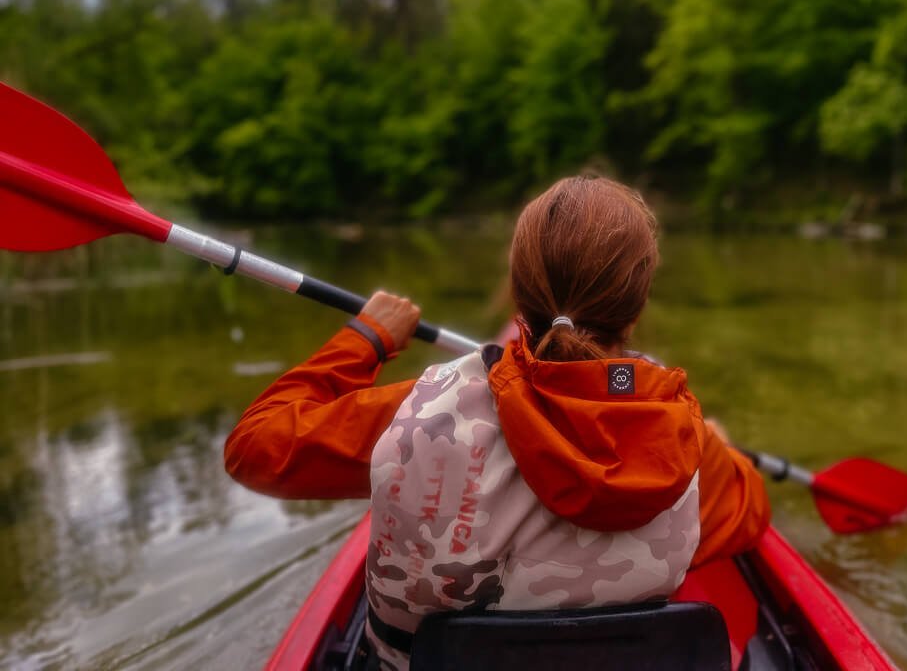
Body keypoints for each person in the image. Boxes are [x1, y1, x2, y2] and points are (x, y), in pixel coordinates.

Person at [225, 176, 770, 670]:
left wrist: (367, 337)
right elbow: (751, 515)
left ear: (518, 293)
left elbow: (252, 446)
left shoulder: (415, 416)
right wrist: (716, 449)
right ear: (639, 302)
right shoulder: (683, 437)